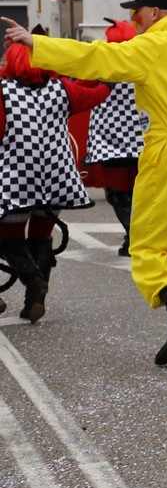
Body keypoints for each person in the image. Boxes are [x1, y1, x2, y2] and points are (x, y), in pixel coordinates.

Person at [6, 0, 167, 364]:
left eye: (136, 13)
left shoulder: (154, 45)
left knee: (147, 244)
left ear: (155, 12)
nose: (134, 20)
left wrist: (37, 45)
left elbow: (97, 58)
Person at [0, 42, 108, 321]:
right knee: (42, 235)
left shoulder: (3, 91)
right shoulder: (62, 90)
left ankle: (35, 282)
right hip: (57, 177)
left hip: (18, 179)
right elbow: (95, 94)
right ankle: (35, 300)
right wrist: (108, 78)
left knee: (10, 238)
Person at [84, 19, 146, 257]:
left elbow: (80, 85)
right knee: (139, 192)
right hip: (141, 139)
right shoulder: (143, 62)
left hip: (111, 141)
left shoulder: (104, 65)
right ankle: (138, 237)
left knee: (117, 194)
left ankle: (134, 237)